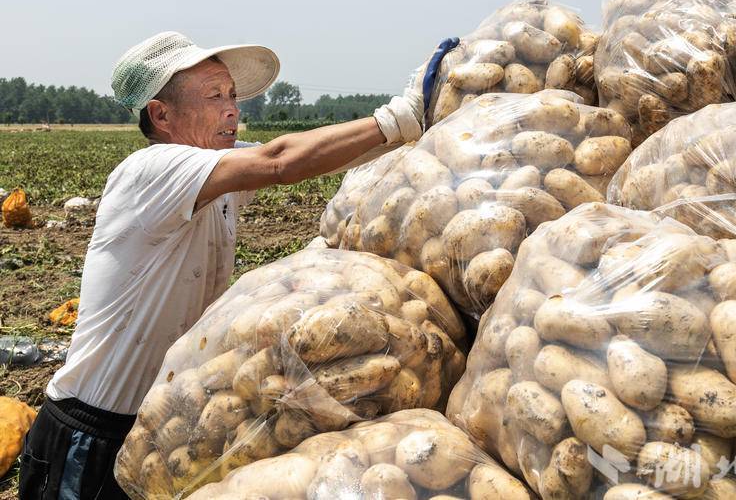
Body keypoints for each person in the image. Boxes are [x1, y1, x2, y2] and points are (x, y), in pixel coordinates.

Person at [18, 31, 457, 499]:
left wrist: (414, 127)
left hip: (166, 423)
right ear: (161, 115)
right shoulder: (151, 171)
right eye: (214, 96)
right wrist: (398, 116)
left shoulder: (217, 173)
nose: (232, 109)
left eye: (232, 95)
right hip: (93, 431)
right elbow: (279, 161)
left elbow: (315, 154)